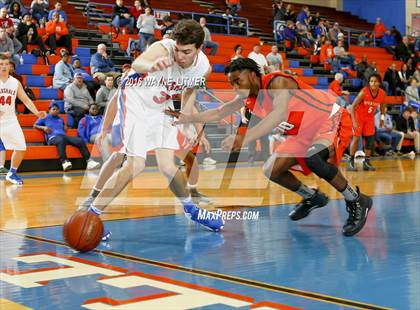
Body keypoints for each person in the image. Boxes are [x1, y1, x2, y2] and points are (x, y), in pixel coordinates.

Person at [171, 58, 372, 237]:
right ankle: (312, 197)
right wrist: (187, 117)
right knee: (271, 169)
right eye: (231, 83)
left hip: (329, 120)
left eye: (237, 81)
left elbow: (279, 114)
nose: (234, 87)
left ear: (252, 75)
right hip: (303, 133)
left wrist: (245, 138)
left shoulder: (278, 82)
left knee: (313, 158)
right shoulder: (248, 97)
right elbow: (219, 112)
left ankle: (356, 199)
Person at [81, 19, 224, 232]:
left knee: (168, 166)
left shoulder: (204, 68)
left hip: (161, 104)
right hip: (136, 98)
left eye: (186, 52)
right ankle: (91, 216)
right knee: (136, 165)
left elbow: (189, 90)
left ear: (199, 49)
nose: (180, 56)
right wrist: (152, 66)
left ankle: (191, 210)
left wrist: (186, 120)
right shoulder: (162, 48)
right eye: (178, 50)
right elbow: (138, 64)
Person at [0, 54, 47, 185]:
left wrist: (37, 112)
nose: (3, 67)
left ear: (10, 66)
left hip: (10, 120)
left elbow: (25, 100)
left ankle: (12, 173)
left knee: (21, 147)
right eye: (1, 64)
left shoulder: (15, 82)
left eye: (5, 64)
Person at [34, 102, 101, 171]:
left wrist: (65, 127)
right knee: (61, 140)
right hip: (53, 138)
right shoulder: (45, 117)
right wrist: (43, 128)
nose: (56, 111)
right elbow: (35, 125)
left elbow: (64, 127)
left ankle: (89, 161)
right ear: (49, 110)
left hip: (63, 136)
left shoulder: (60, 118)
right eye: (53, 109)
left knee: (79, 140)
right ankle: (64, 162)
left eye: (57, 110)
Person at [347, 73, 386, 171]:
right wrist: (354, 121)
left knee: (370, 140)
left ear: (379, 83)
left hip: (369, 118)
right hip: (358, 117)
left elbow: (382, 108)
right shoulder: (364, 92)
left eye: (375, 81)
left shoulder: (382, 93)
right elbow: (352, 107)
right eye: (371, 81)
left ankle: (366, 162)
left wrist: (382, 119)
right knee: (356, 138)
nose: (373, 83)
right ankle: (351, 162)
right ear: (369, 83)